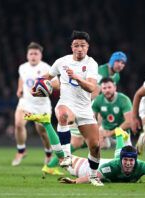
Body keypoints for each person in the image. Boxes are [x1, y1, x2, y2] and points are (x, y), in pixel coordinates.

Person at [30, 30, 103, 186]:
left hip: (84, 108)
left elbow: (91, 88)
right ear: (71, 47)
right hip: (66, 103)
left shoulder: (91, 64)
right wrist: (35, 87)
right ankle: (66, 155)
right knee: (63, 115)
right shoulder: (61, 62)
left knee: (96, 146)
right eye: (76, 45)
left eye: (82, 45)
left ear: (87, 47)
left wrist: (76, 77)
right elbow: (46, 77)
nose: (79, 48)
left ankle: (92, 176)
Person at [58, 128, 145, 184]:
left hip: (107, 162)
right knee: (62, 159)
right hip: (89, 167)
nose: (129, 163)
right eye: (125, 160)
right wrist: (75, 181)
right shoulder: (111, 166)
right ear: (121, 160)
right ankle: (47, 124)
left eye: (131, 160)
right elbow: (93, 176)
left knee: (118, 156)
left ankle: (119, 135)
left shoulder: (141, 165)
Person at [12, 42, 53, 166]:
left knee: (42, 131)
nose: (33, 56)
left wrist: (47, 90)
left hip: (41, 105)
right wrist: (19, 89)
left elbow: (54, 84)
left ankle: (48, 153)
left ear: (40, 55)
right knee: (18, 124)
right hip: (26, 102)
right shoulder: (23, 67)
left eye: (36, 53)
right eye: (31, 53)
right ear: (27, 55)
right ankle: (21, 150)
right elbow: (22, 78)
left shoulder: (47, 68)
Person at [92, 77, 133, 148]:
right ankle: (96, 158)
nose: (107, 90)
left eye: (109, 87)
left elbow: (129, 122)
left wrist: (111, 133)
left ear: (115, 87)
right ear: (101, 89)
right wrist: (98, 130)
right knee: (95, 143)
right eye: (104, 88)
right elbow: (92, 119)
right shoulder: (98, 100)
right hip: (105, 130)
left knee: (126, 156)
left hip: (122, 133)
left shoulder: (124, 100)